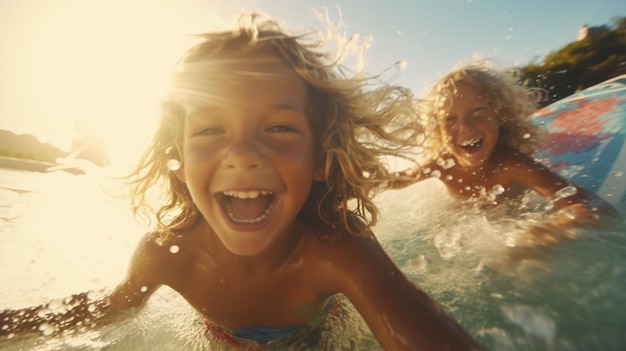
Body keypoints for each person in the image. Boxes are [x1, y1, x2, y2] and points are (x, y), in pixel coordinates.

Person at [0, 12, 481, 351]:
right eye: (210, 129)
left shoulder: (336, 245)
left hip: (323, 339)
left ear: (320, 158)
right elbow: (109, 308)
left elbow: (411, 319)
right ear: (179, 161)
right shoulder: (168, 254)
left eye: (279, 128)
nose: (244, 154)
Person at [389, 59, 621, 248]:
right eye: (450, 119)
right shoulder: (443, 163)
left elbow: (592, 207)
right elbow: (401, 179)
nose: (466, 127)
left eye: (478, 110)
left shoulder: (512, 164)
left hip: (507, 225)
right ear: (438, 128)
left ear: (499, 114)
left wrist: (544, 233)